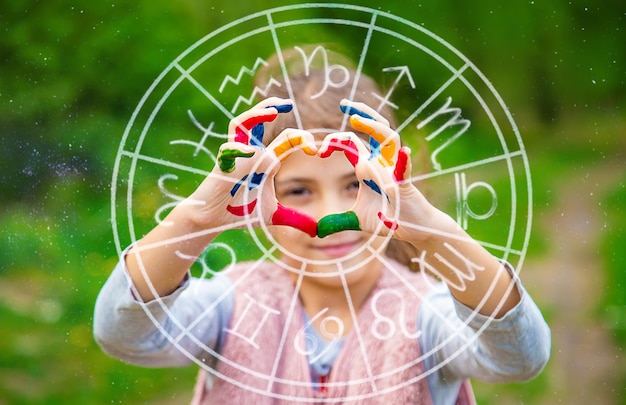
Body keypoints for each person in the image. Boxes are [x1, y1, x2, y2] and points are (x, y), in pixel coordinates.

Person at [94, 47, 551, 404]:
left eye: (355, 185)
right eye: (297, 191)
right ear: (257, 195)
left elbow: (520, 358)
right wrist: (197, 219)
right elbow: (124, 335)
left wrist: (432, 232)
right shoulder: (231, 307)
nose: (326, 222)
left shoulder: (424, 315)